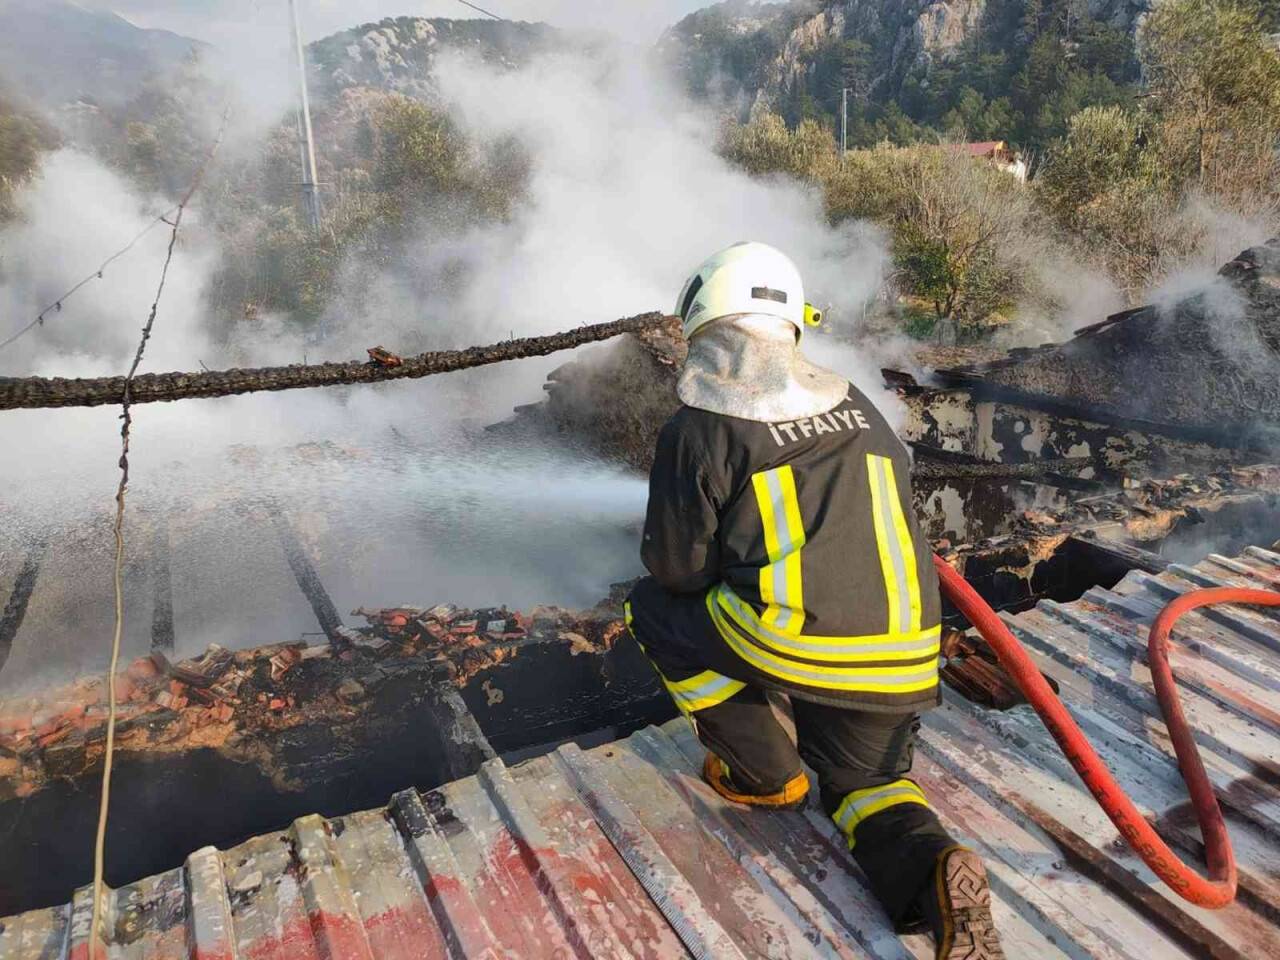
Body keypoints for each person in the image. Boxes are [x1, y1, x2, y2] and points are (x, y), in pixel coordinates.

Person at [625, 242, 1004, 959]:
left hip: (794, 638)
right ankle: (931, 872)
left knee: (651, 611)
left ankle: (765, 773)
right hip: (903, 649)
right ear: (794, 326)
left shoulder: (701, 428)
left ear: (703, 327)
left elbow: (676, 572)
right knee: (869, 784)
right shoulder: (850, 401)